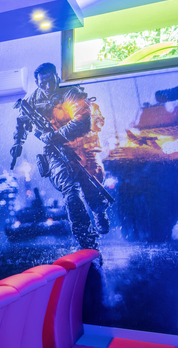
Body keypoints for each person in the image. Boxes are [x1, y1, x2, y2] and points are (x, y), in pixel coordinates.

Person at [11, 63, 109, 249]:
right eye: (43, 83)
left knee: (92, 186)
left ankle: (98, 211)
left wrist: (55, 135)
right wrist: (18, 142)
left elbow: (83, 121)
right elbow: (22, 121)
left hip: (82, 145)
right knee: (70, 193)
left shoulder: (70, 93)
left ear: (57, 77)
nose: (47, 87)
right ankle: (85, 237)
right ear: (37, 83)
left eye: (50, 81)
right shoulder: (33, 100)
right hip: (56, 151)